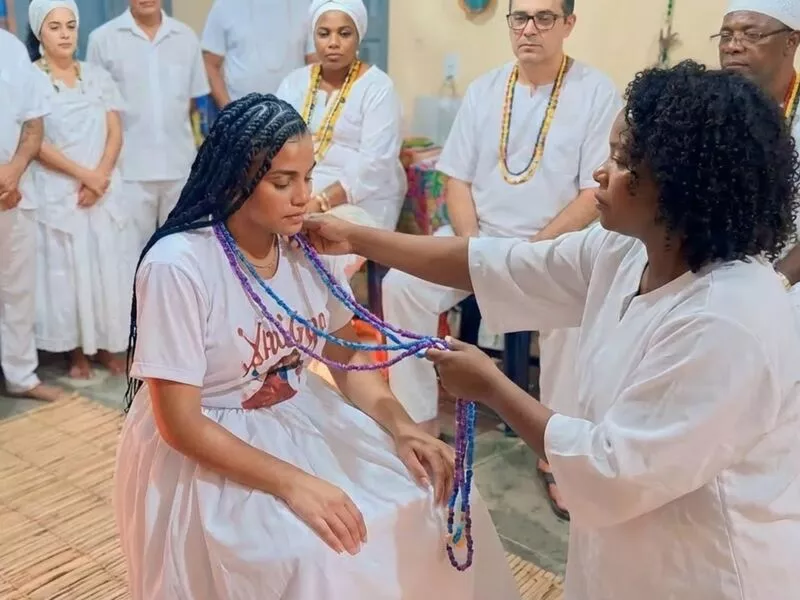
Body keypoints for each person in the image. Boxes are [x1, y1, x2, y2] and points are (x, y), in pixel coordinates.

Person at [300, 60, 800, 600]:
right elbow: (498, 265)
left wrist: (492, 387)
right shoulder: (627, 249)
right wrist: (355, 237)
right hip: (624, 542)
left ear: (681, 185)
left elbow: (612, 468)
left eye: (623, 160)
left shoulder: (728, 320)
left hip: (708, 563)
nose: (600, 174)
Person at [114, 94, 519, 600]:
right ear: (234, 180)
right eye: (283, 182)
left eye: (308, 177)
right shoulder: (179, 266)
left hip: (300, 413)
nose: (304, 197)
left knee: (438, 497)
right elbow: (179, 424)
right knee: (319, 554)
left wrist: (402, 427)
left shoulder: (308, 247)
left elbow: (347, 359)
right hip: (213, 438)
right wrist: (294, 483)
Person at [381, 0, 620, 518]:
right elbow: (457, 180)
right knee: (402, 285)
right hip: (481, 237)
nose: (529, 29)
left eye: (544, 17)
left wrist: (532, 254)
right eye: (519, 17)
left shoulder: (596, 92)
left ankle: (558, 456)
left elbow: (592, 194)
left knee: (573, 319)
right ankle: (419, 424)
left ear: (568, 24)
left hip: (554, 246)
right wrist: (474, 248)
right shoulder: (486, 88)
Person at [25, 0, 132, 378]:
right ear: (40, 32)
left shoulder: (97, 76)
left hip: (102, 191)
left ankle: (104, 345)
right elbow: (35, 141)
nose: (65, 34)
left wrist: (100, 177)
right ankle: (76, 353)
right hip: (61, 192)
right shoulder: (31, 80)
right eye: (55, 27)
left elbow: (115, 131)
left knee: (105, 270)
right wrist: (83, 176)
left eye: (70, 26)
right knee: (68, 275)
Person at [276, 0, 406, 275]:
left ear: (358, 36)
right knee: (255, 237)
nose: (333, 43)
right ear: (314, 37)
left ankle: (327, 304)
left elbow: (375, 164)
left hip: (363, 200)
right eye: (324, 34)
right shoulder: (294, 83)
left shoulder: (378, 88)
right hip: (301, 192)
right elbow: (275, 144)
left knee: (318, 256)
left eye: (344, 33)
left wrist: (319, 202)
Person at [87, 0, 210, 253]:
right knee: (132, 255)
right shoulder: (102, 40)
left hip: (180, 167)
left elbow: (194, 104)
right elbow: (95, 110)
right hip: (128, 171)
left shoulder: (186, 37)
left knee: (185, 250)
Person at [717, 1, 800, 292]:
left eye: (751, 35)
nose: (732, 46)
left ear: (791, 41)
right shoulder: (705, 107)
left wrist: (776, 283)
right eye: (726, 35)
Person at [0, 25, 64, 402]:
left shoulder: (10, 48)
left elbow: (33, 122)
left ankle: (21, 376)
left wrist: (14, 170)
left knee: (17, 289)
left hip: (14, 190)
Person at [202, 0, 315, 108]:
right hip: (241, 114)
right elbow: (209, 64)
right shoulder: (226, 4)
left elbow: (315, 63)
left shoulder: (306, 4)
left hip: (294, 112)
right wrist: (230, 111)